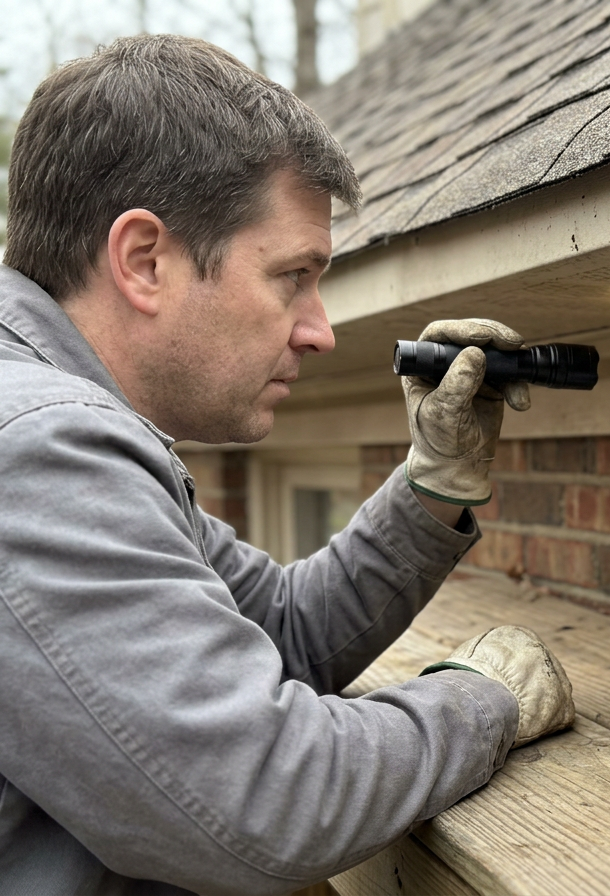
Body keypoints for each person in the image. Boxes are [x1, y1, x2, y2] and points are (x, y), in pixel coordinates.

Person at [0, 34, 573, 895]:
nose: (320, 329)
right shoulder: (39, 449)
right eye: (293, 276)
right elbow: (265, 798)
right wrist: (481, 697)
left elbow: (284, 626)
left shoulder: (71, 436)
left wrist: (435, 480)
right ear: (144, 261)